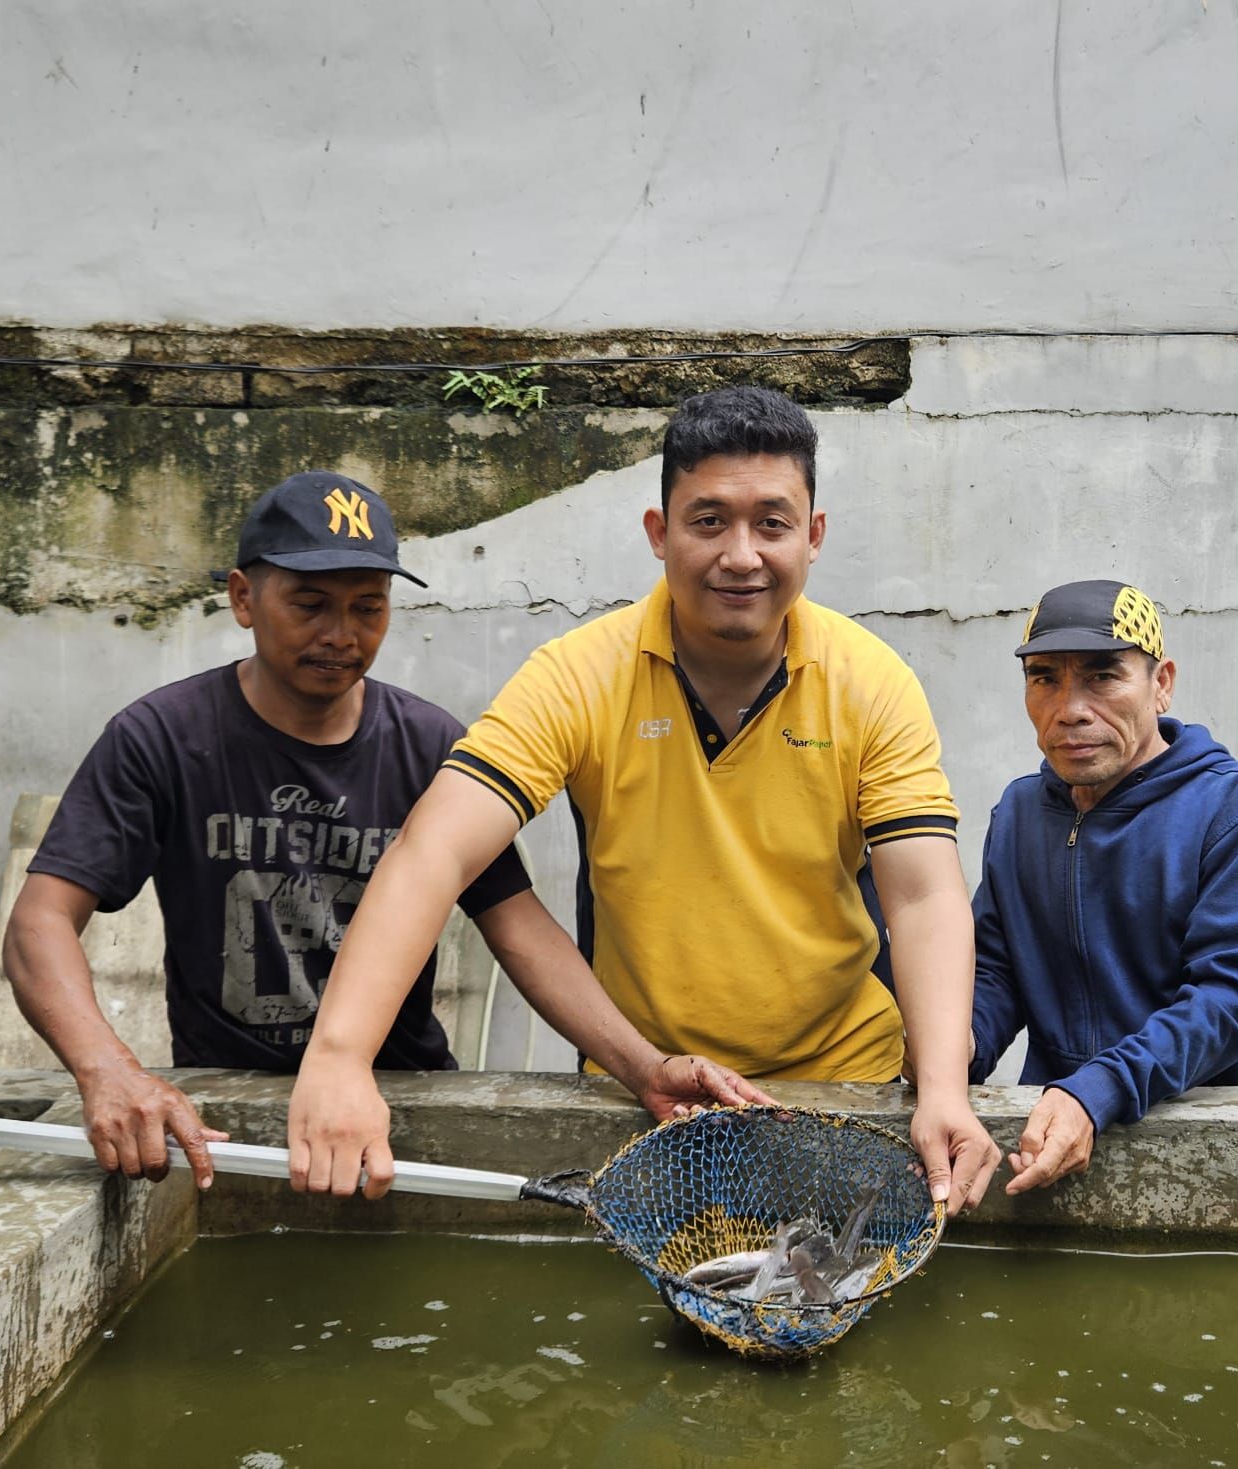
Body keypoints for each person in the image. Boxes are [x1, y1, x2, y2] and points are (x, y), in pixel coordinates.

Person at [287, 388, 1002, 1215]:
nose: (741, 554)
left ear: (813, 537)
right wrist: (339, 1058)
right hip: (649, 1092)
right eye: (707, 521)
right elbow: (435, 850)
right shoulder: (578, 673)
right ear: (658, 535)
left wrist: (944, 1087)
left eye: (771, 522)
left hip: (845, 1075)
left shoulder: (872, 683)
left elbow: (921, 894)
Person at [3, 471, 765, 1191]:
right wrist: (107, 1068)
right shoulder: (163, 737)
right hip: (230, 1101)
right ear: (242, 597)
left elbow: (518, 928)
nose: (341, 633)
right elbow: (39, 921)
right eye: (309, 604)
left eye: (367, 607)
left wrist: (642, 1066)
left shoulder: (430, 745)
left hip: (400, 1096)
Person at [969, 579, 1238, 1194]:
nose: (1070, 708)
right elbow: (997, 970)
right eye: (1044, 677)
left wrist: (1098, 1089)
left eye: (1103, 676)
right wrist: (953, 1047)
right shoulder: (1020, 813)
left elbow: (1232, 998)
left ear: (1162, 684)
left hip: (1235, 1158)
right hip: (1052, 1144)